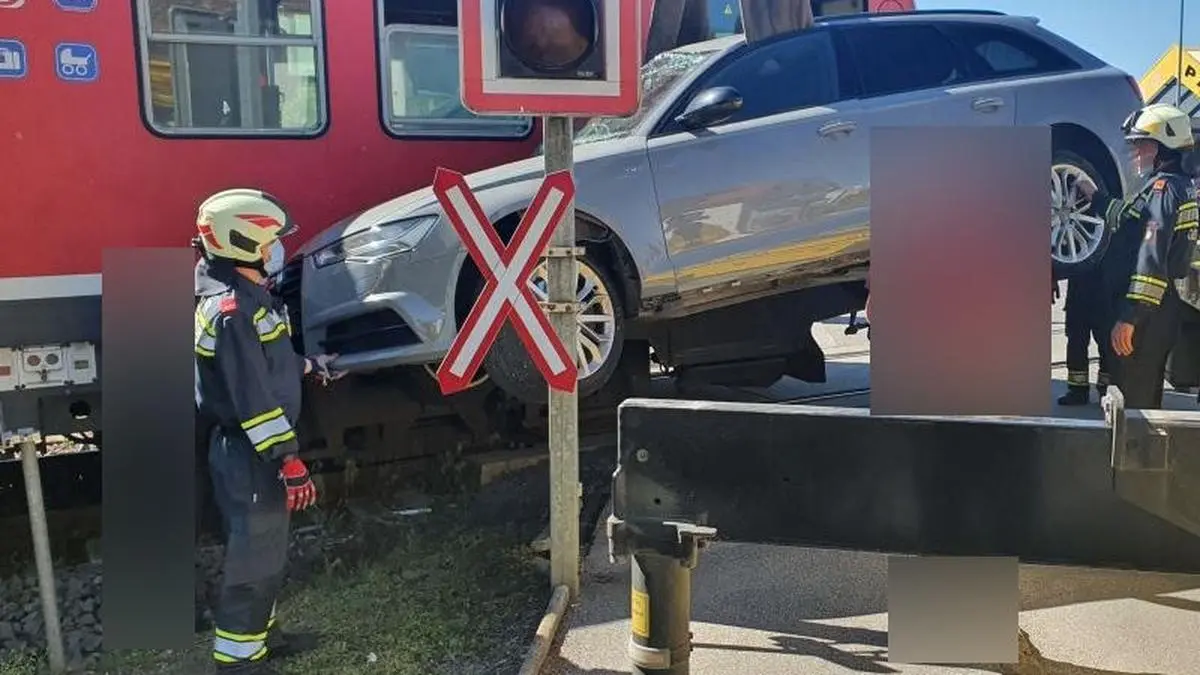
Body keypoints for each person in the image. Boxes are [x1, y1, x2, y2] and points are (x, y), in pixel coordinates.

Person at [193, 188, 341, 673]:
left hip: (251, 454)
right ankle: (238, 662)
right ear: (244, 242)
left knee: (266, 551)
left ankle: (262, 638)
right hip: (252, 455)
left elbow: (266, 365)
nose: (275, 248)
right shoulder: (234, 312)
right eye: (270, 240)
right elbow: (252, 400)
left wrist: (307, 365)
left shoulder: (249, 299)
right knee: (253, 559)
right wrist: (289, 460)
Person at [1078, 103, 1199, 410]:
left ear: (1164, 146)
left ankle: (1133, 459)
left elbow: (1151, 258)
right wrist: (1096, 198)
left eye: (1141, 144)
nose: (1135, 151)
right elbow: (1131, 220)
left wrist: (1130, 317)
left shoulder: (1163, 189)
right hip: (1161, 307)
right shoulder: (1175, 187)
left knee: (1134, 403)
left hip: (1147, 313)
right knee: (1142, 396)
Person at [1056, 262, 1113, 406]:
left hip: (1106, 291)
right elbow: (1064, 253)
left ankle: (1107, 389)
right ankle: (1077, 390)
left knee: (1107, 343)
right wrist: (1053, 276)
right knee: (1076, 342)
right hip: (1079, 291)